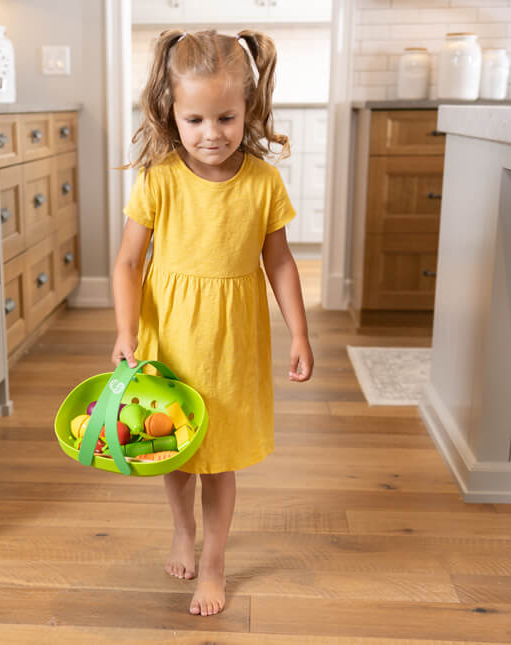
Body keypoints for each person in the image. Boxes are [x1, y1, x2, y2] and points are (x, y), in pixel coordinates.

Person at [111, 29, 313, 617]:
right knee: (172, 448)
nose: (211, 135)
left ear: (248, 108)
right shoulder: (158, 178)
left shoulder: (263, 183)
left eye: (225, 117)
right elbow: (128, 262)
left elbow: (279, 261)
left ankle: (216, 560)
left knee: (218, 457)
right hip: (169, 337)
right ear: (171, 111)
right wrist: (126, 333)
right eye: (195, 119)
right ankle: (181, 531)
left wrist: (299, 332)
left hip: (232, 345)